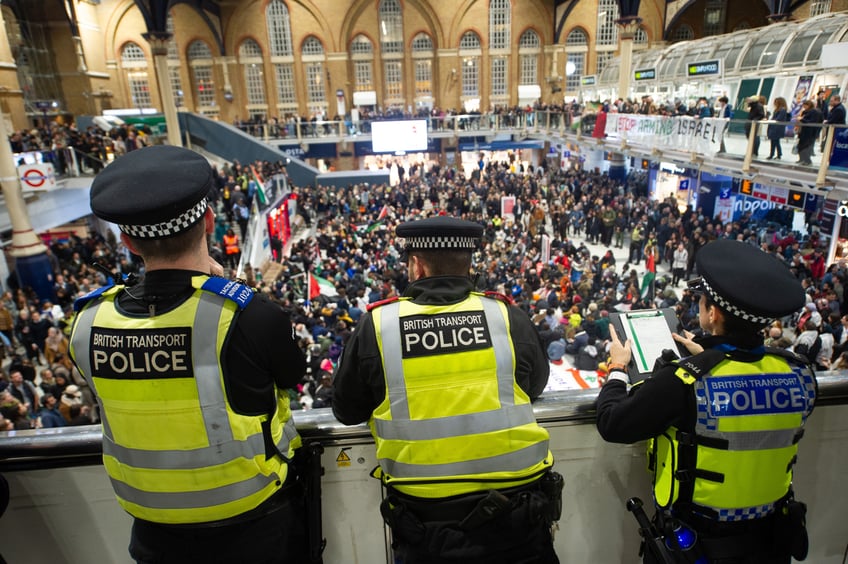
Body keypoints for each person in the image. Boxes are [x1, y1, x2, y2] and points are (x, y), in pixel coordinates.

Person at [68, 145, 309, 564]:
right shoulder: (249, 315)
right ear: (210, 223)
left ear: (126, 241)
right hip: (253, 528)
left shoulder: (88, 323)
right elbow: (291, 374)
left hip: (153, 534)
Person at [332, 215, 561, 564]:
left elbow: (346, 410)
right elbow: (534, 385)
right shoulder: (506, 317)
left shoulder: (377, 327)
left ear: (417, 266)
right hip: (519, 519)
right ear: (469, 266)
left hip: (427, 528)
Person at [596, 239, 816, 563]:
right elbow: (751, 386)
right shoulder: (799, 374)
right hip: (769, 541)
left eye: (700, 301)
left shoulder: (685, 381)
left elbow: (613, 423)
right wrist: (714, 357)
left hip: (699, 547)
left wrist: (617, 367)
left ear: (712, 313)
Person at [796, 99, 823, 166]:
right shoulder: (805, 111)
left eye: (805, 105)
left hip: (809, 132)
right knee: (801, 146)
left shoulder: (814, 112)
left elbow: (811, 122)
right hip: (803, 131)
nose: (804, 107)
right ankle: (802, 159)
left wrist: (801, 119)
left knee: (805, 147)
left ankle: (807, 160)